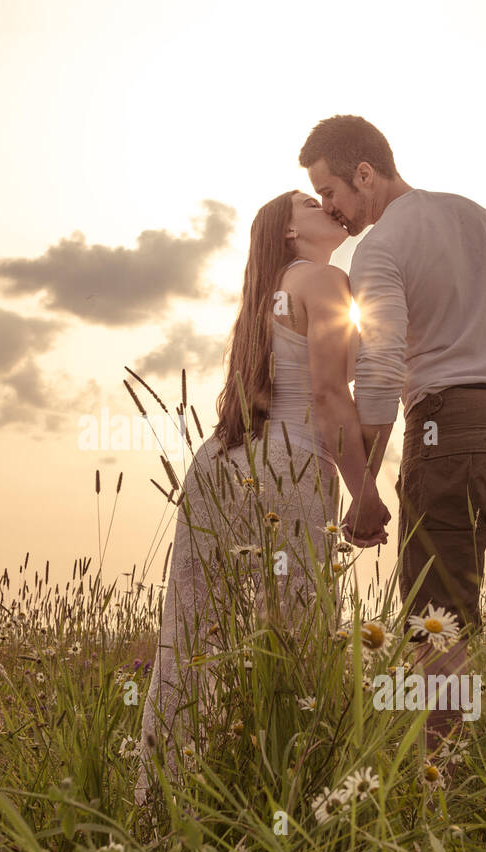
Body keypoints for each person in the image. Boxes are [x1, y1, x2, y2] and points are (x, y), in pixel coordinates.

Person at [299, 114, 486, 756]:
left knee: (439, 619)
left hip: (449, 427)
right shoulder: (484, 219)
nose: (331, 209)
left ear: (365, 174)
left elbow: (377, 365)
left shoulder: (380, 248)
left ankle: (445, 787)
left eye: (332, 192)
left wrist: (366, 485)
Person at [134, 189, 389, 805]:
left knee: (192, 638)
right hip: (291, 465)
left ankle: (164, 797)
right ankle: (292, 796)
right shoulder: (323, 279)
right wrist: (366, 493)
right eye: (308, 201)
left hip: (221, 464)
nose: (325, 205)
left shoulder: (267, 296)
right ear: (286, 232)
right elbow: (329, 395)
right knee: (299, 637)